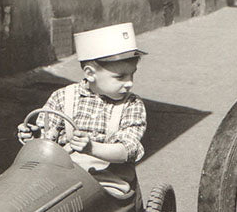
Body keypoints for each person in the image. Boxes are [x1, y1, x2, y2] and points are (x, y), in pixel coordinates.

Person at [17, 22, 147, 197]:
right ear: (90, 73)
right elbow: (47, 140)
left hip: (107, 179)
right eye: (120, 77)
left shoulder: (131, 105)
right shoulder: (63, 97)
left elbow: (127, 150)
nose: (129, 82)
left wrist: (92, 147)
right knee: (26, 191)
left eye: (132, 74)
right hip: (60, 174)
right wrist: (34, 136)